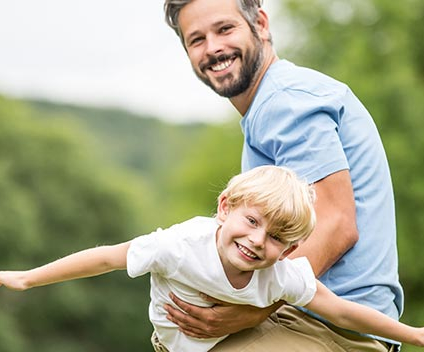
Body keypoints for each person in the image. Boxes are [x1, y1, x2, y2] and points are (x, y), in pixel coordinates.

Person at [0, 166, 424, 352]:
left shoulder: (281, 273)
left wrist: (415, 334)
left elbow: (338, 308)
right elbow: (105, 257)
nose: (258, 242)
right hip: (176, 344)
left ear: (291, 249)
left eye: (277, 238)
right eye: (252, 222)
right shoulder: (181, 245)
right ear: (224, 209)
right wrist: (27, 279)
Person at [163, 0, 407, 351]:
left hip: (331, 328)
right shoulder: (272, 104)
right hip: (311, 321)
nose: (213, 48)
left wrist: (254, 307)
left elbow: (336, 223)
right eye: (196, 39)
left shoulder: (283, 103)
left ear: (260, 24)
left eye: (225, 29)